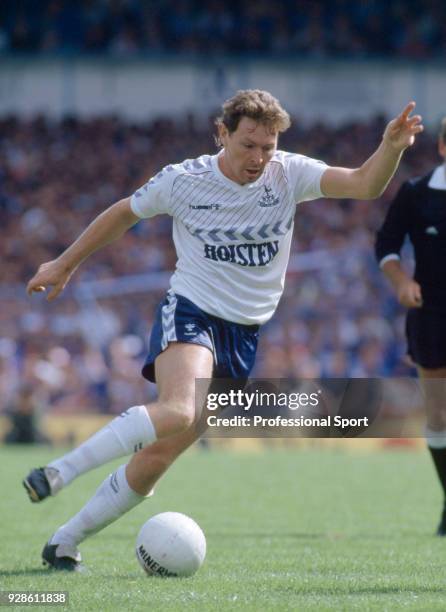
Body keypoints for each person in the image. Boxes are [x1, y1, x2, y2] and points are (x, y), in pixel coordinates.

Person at [24, 89, 423, 571]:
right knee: (177, 409)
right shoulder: (183, 181)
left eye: (267, 147)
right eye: (248, 145)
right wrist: (65, 265)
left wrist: (392, 148)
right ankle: (59, 471)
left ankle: (63, 544)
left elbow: (364, 184)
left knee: (159, 457)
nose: (258, 158)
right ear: (223, 134)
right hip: (192, 309)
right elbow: (123, 213)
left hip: (244, 333)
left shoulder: (288, 173)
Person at [376, 117, 446, 535]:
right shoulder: (418, 193)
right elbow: (385, 243)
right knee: (438, 415)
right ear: (442, 147)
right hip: (432, 316)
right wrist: (401, 281)